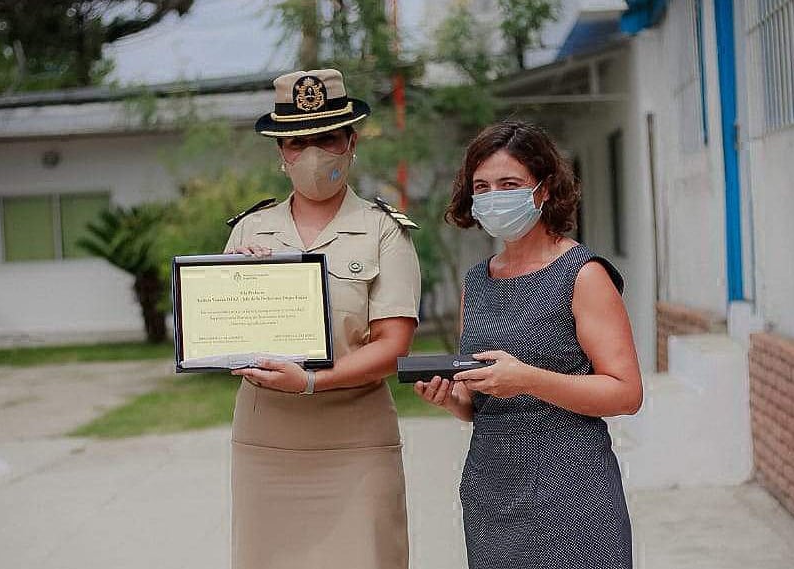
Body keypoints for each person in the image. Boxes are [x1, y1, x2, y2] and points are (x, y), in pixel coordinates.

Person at [415, 120, 642, 568]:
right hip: (490, 491)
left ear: (543, 190)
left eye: (509, 183)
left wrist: (527, 379)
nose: (494, 195)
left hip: (572, 492)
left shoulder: (583, 274)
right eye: (482, 186)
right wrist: (454, 398)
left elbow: (626, 392)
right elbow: (483, 399)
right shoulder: (477, 282)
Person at [222, 69, 421, 569]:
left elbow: (393, 345)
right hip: (268, 444)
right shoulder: (250, 230)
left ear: (352, 141)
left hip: (357, 444)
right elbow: (223, 336)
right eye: (297, 142)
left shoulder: (383, 230)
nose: (312, 154)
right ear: (280, 152)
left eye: (327, 138)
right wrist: (232, 300)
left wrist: (312, 381)